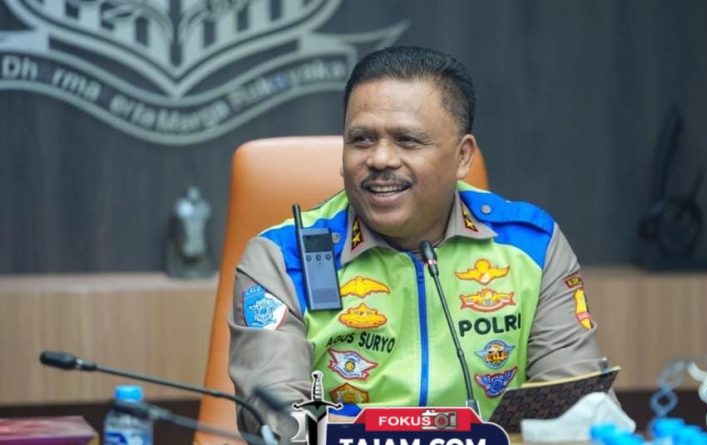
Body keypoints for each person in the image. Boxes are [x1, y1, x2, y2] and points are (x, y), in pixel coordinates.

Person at [228, 46, 610, 441]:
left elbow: (575, 406)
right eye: (361, 139)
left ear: (463, 156)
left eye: (407, 140)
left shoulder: (530, 245)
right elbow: (278, 417)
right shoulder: (282, 258)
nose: (380, 159)